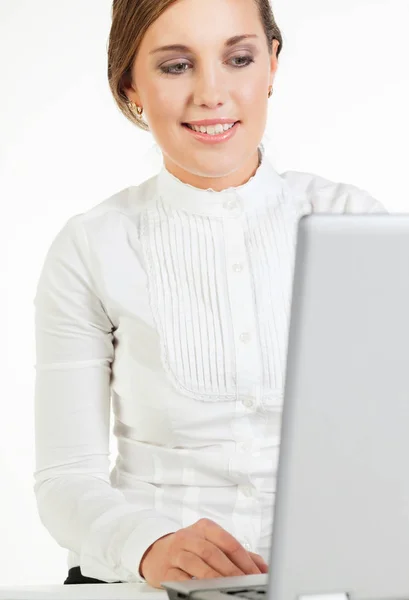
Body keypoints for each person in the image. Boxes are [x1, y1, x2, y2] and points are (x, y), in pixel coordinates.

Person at [33, 0, 386, 591]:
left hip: (329, 581)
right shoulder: (91, 246)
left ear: (272, 65)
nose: (212, 94)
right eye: (176, 66)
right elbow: (64, 478)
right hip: (141, 584)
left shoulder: (353, 222)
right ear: (131, 86)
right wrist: (147, 546)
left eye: (238, 58)